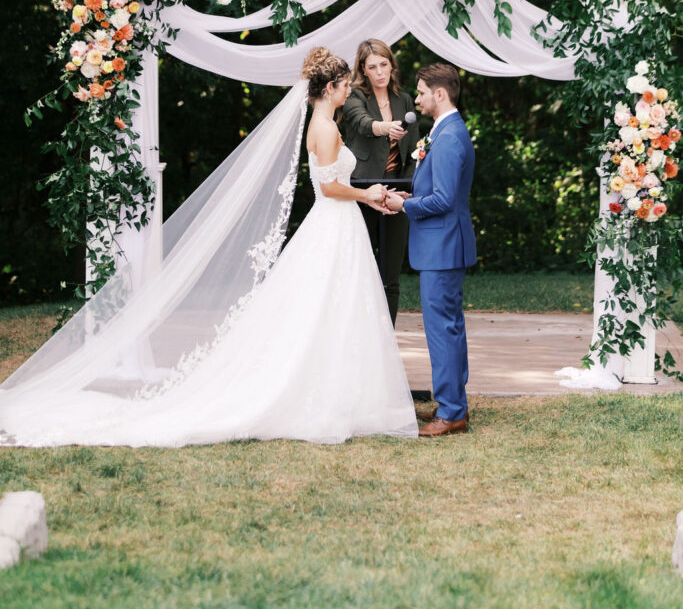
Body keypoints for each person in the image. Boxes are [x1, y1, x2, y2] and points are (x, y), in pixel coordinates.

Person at [0, 48, 418, 447]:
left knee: (335, 308)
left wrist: (369, 196)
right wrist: (367, 195)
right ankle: (323, 398)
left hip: (336, 225)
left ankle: (340, 393)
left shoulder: (324, 125)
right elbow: (328, 187)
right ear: (330, 88)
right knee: (328, 306)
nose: (350, 90)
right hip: (333, 224)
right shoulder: (325, 128)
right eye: (345, 84)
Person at [384, 63, 476, 438]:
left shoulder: (451, 136)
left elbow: (445, 199)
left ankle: (452, 412)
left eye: (421, 92)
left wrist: (404, 207)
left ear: (441, 94)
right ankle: (452, 405)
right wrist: (411, 195)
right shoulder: (442, 132)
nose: (416, 98)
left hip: (443, 246)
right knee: (446, 328)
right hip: (439, 245)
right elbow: (436, 192)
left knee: (443, 330)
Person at [343, 39, 421, 325]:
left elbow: (415, 152)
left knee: (390, 274)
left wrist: (407, 187)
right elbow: (362, 122)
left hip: (397, 190)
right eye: (372, 66)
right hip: (362, 189)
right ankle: (357, 331)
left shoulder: (405, 100)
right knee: (359, 266)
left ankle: (386, 336)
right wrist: (385, 127)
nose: (379, 72)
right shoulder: (354, 96)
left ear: (392, 65)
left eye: (384, 65)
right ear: (363, 70)